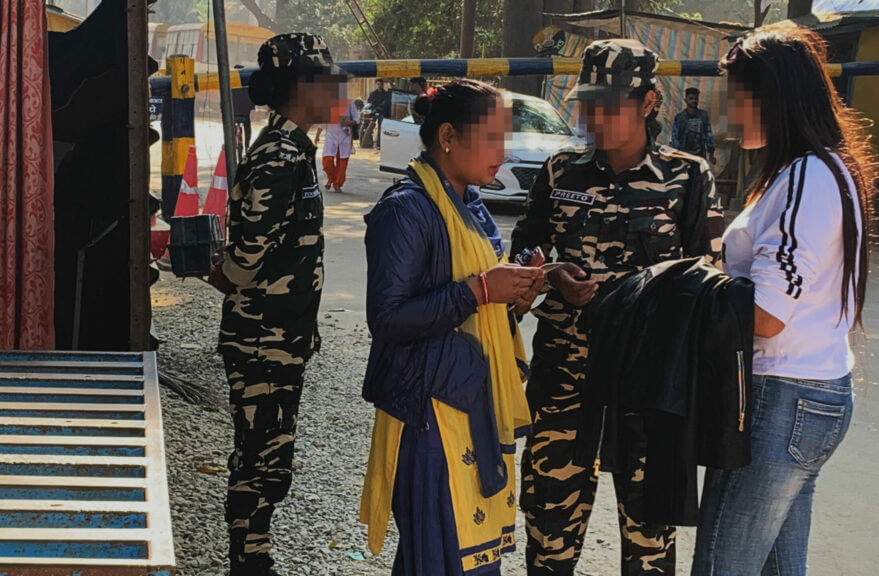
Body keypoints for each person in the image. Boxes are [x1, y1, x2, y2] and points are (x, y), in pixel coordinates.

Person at [511, 39, 724, 576]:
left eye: (611, 105)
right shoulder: (560, 172)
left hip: (649, 390)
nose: (594, 117)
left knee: (650, 547)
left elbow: (710, 284)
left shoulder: (689, 177)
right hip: (564, 383)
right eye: (588, 103)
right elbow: (523, 257)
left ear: (649, 102)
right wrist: (551, 275)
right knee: (548, 538)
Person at [690, 23, 877, 576]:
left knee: (723, 567)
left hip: (780, 401)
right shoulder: (825, 171)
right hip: (808, 396)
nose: (728, 112)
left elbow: (767, 316)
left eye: (737, 97)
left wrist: (690, 288)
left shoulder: (805, 179)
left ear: (772, 97)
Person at [359, 80, 546, 575]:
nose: (502, 153)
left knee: (453, 558)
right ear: (447, 136)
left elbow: (479, 305)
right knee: (443, 557)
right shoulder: (405, 210)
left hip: (470, 401)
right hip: (427, 414)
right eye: (491, 138)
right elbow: (389, 317)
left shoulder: (471, 203)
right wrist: (482, 290)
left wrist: (518, 291)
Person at [207, 33, 344, 576]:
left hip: (281, 339)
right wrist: (229, 275)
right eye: (326, 80)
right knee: (259, 458)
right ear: (300, 88)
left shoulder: (296, 150)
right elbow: (243, 261)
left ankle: (255, 552)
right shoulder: (279, 156)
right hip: (261, 340)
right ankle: (248, 561)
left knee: (271, 457)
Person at [314, 97, 360, 191]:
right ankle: (331, 179)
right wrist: (317, 135)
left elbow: (357, 118)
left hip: (345, 135)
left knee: (342, 161)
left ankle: (337, 183)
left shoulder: (349, 102)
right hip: (331, 135)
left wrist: (349, 122)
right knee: (327, 160)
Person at [671, 87, 717, 165]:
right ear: (686, 100)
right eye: (691, 98)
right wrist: (678, 154)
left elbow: (708, 135)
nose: (694, 101)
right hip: (684, 156)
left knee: (699, 176)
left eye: (696, 99)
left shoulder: (703, 116)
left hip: (699, 155)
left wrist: (711, 153)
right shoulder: (680, 118)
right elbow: (675, 137)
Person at [232, 64, 255, 152]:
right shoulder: (246, 84)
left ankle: (232, 143)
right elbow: (252, 97)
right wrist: (252, 107)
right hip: (245, 113)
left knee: (231, 127)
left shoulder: (231, 83)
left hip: (233, 113)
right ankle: (247, 146)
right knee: (247, 126)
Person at [367, 78, 388, 148]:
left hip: (382, 112)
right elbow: (369, 102)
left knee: (381, 127)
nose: (379, 86)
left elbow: (386, 103)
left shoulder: (386, 94)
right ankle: (368, 142)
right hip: (373, 112)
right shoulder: (373, 93)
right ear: (376, 84)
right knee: (368, 126)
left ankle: (379, 144)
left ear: (383, 84)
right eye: (378, 84)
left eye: (381, 84)